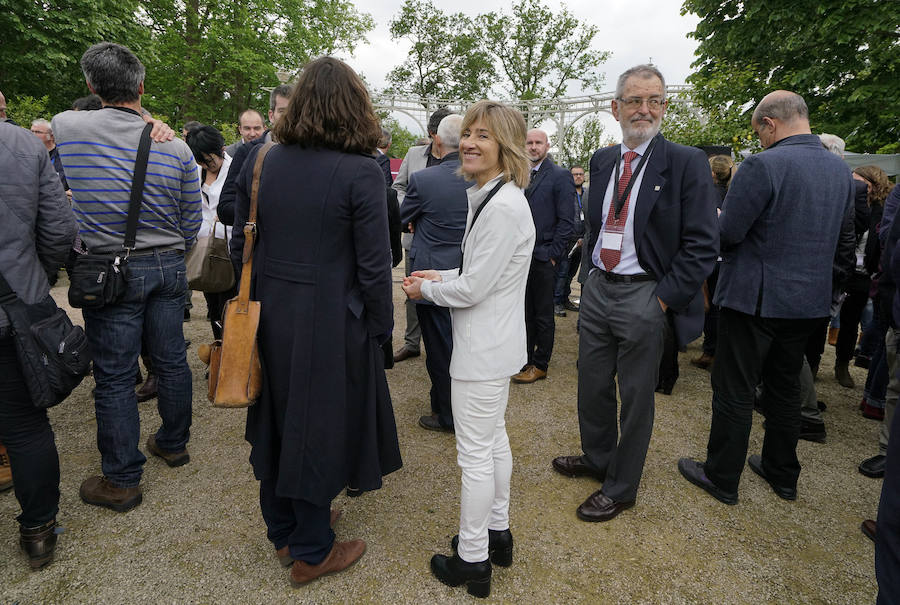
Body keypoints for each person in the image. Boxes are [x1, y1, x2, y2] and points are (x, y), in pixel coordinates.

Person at [230, 56, 401, 587]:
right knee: (316, 428)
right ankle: (311, 550)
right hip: (329, 318)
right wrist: (381, 329)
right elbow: (376, 266)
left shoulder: (266, 160)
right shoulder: (360, 170)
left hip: (271, 308)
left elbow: (242, 236)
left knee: (278, 419)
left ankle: (284, 531)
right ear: (355, 107)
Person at [553, 64, 718, 522]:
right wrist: (588, 273)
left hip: (646, 295)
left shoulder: (685, 162)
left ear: (664, 106)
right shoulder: (603, 159)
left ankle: (622, 486)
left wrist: (663, 299)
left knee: (636, 396)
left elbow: (703, 243)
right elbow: (596, 223)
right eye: (634, 101)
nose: (644, 110)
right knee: (591, 384)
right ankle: (598, 458)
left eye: (654, 101)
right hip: (599, 289)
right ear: (615, 107)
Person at [678, 91, 853, 505]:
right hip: (808, 302)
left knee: (735, 387)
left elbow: (730, 232)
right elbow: (842, 241)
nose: (758, 140)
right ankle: (781, 472)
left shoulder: (763, 164)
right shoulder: (838, 170)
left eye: (759, 132)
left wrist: (718, 222)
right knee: (785, 387)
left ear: (769, 124)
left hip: (754, 298)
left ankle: (721, 476)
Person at [52, 42, 201, 512]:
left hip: (110, 269)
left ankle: (121, 479)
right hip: (169, 264)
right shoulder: (174, 146)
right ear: (141, 86)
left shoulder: (67, 126)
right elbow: (192, 221)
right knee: (171, 360)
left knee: (115, 376)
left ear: (91, 87)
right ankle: (173, 443)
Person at [403, 100, 535, 599]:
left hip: (483, 348)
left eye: (485, 135)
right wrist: (442, 275)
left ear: (506, 146)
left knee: (475, 455)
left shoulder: (500, 205)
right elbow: (483, 275)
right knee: (493, 442)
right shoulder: (494, 194)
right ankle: (497, 534)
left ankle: (473, 558)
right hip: (492, 343)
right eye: (469, 133)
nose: (471, 142)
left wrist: (425, 291)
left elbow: (476, 290)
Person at [0, 119, 78, 569]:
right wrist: (38, 278)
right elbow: (58, 229)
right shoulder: (24, 147)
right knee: (26, 427)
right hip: (14, 305)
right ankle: (39, 530)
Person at [399, 114, 467, 433]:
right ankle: (457, 406)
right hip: (468, 271)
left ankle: (448, 414)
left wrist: (418, 218)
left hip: (430, 275)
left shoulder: (425, 180)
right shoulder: (483, 177)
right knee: (464, 345)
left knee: (439, 351)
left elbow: (402, 218)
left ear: (436, 140)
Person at [511, 129, 575, 384]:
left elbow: (566, 222)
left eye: (538, 142)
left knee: (543, 313)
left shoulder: (560, 176)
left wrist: (552, 256)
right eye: (529, 142)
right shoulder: (517, 174)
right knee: (522, 312)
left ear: (547, 146)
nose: (534, 147)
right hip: (519, 257)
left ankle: (541, 363)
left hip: (543, 256)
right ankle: (524, 359)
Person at [391, 107, 453, 363]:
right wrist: (411, 213)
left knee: (447, 289)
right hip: (415, 238)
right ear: (432, 134)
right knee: (412, 289)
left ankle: (444, 346)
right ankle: (411, 342)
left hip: (448, 240)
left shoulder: (461, 158)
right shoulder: (414, 154)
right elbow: (398, 186)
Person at [186, 125, 235, 341]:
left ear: (221, 149)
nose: (207, 165)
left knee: (229, 304)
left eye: (210, 159)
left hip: (228, 249)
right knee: (212, 305)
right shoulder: (195, 172)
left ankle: (231, 353)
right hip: (204, 247)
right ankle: (217, 352)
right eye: (201, 161)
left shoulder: (235, 171)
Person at [690, 154, 733, 370]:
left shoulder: (708, 194)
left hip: (710, 257)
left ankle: (709, 350)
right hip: (728, 258)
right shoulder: (734, 193)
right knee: (720, 307)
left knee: (708, 306)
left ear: (713, 173)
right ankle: (717, 349)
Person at [554, 165, 587, 317]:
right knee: (562, 273)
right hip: (567, 240)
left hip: (582, 240)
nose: (578, 177)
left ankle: (565, 299)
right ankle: (556, 302)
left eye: (580, 174)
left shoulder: (587, 194)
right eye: (575, 174)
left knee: (572, 274)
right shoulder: (566, 193)